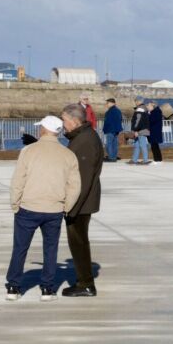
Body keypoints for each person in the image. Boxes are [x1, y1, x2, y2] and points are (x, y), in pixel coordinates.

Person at [5, 115, 80, 300]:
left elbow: (18, 180)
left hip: (28, 207)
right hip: (54, 209)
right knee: (50, 249)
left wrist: (15, 203)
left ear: (45, 129)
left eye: (41, 127)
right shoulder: (68, 154)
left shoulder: (28, 151)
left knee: (20, 248)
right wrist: (67, 206)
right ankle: (47, 289)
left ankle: (13, 288)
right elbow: (75, 185)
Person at [59, 104, 105, 297]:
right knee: (77, 242)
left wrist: (72, 206)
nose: (63, 125)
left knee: (78, 242)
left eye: (64, 121)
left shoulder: (85, 140)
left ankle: (86, 283)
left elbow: (83, 179)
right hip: (80, 201)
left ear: (75, 121)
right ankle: (83, 280)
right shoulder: (81, 137)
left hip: (80, 203)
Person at [101, 99, 124, 164]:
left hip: (110, 130)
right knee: (114, 144)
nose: (106, 104)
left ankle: (111, 157)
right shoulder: (118, 111)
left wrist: (105, 129)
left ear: (112, 103)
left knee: (109, 144)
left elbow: (108, 122)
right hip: (116, 130)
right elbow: (120, 120)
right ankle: (114, 157)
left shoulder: (110, 111)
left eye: (107, 103)